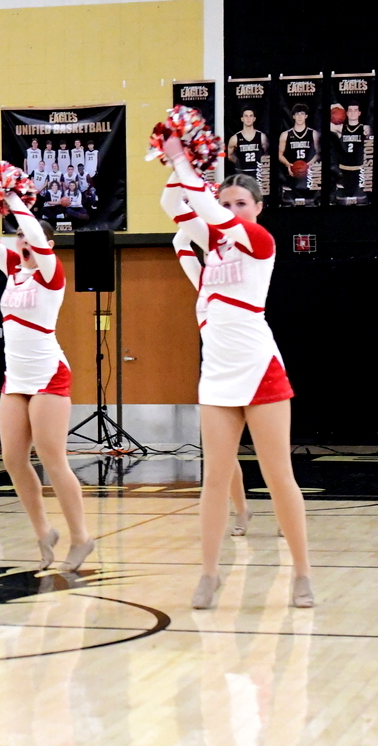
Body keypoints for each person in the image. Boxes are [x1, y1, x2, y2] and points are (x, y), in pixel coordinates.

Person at [160, 134, 313, 608]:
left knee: (278, 476)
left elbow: (208, 211)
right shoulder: (213, 248)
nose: (231, 209)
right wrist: (177, 162)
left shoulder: (260, 241)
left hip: (260, 369)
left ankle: (302, 573)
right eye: (226, 202)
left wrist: (185, 162)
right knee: (215, 479)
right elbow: (171, 205)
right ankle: (209, 574)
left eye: (241, 203)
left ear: (259, 208)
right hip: (218, 376)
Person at [0, 164, 95, 572]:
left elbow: (38, 240)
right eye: (19, 236)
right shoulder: (12, 268)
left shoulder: (51, 273)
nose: (23, 241)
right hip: (16, 377)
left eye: (28, 236)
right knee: (12, 458)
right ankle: (44, 532)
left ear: (47, 244)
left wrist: (14, 198)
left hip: (47, 374)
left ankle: (81, 537)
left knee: (52, 458)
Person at [166, 184, 252, 537]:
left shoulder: (247, 262)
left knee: (272, 454)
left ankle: (284, 511)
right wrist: (193, 205)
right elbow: (179, 242)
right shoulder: (202, 279)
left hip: (251, 366)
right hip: (217, 373)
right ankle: (242, 512)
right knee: (222, 454)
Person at [330, 101, 372, 204]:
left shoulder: (364, 128)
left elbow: (369, 130)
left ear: (359, 113)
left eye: (355, 110)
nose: (353, 112)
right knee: (341, 200)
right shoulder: (341, 128)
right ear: (346, 113)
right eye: (350, 110)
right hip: (343, 170)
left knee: (362, 200)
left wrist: (368, 130)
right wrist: (334, 106)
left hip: (360, 171)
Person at [277, 103, 320, 204]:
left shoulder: (313, 134)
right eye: (297, 114)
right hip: (292, 174)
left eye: (302, 114)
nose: (300, 116)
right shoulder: (285, 135)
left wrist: (309, 164)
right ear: (293, 116)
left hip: (309, 175)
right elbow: (279, 154)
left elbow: (319, 153)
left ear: (306, 116)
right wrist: (288, 164)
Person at [226, 106, 269, 182]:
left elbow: (266, 154)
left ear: (254, 119)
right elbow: (229, 155)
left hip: (258, 172)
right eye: (246, 116)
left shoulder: (261, 137)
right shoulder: (235, 138)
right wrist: (239, 162)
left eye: (250, 116)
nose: (248, 118)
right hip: (242, 172)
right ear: (242, 119)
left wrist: (262, 166)